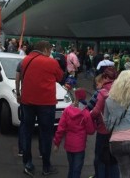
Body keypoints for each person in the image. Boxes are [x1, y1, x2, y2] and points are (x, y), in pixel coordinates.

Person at [16, 40, 63, 176]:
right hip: (46, 103)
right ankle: (46, 166)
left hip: (27, 101)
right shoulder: (51, 62)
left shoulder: (25, 60)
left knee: (26, 131)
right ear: (45, 50)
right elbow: (59, 77)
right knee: (46, 133)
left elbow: (19, 76)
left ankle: (28, 164)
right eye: (50, 51)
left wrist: (18, 92)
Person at [54, 89, 95, 178]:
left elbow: (60, 128)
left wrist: (57, 143)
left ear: (75, 98)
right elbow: (91, 131)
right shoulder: (86, 113)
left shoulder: (67, 111)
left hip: (69, 145)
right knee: (77, 170)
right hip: (80, 146)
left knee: (71, 167)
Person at [90, 67, 120, 178]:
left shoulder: (103, 92)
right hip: (117, 130)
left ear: (106, 77)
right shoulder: (120, 91)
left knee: (100, 158)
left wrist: (89, 115)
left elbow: (96, 111)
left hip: (103, 130)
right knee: (113, 158)